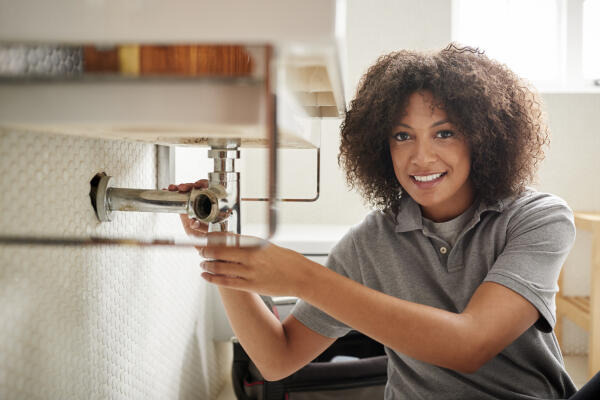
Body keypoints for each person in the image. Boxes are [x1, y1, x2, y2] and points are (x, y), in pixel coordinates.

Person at [170, 44, 583, 399]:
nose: (421, 157)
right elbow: (277, 358)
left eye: (444, 134)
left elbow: (469, 345)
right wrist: (221, 248)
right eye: (403, 136)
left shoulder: (539, 218)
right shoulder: (370, 242)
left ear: (483, 136)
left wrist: (303, 277)